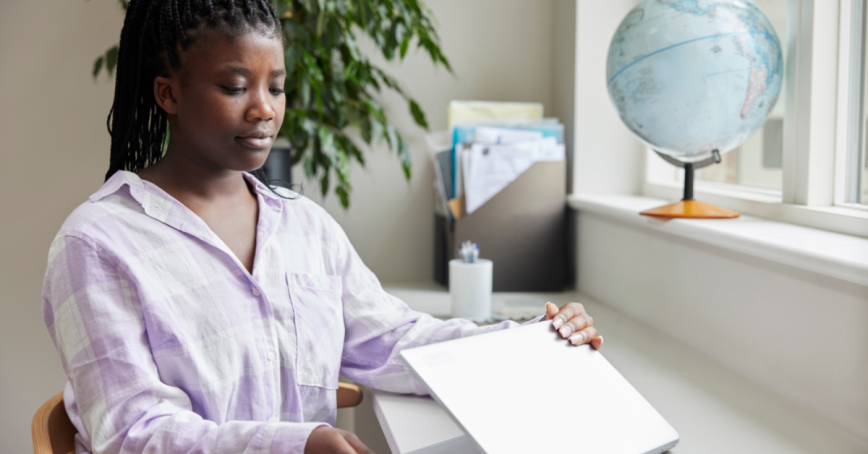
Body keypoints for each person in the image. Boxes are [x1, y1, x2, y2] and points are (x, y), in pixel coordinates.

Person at [41, 1, 602, 453]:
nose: (264, 109)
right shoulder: (97, 243)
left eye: (276, 87)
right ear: (169, 93)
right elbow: (131, 434)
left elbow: (394, 340)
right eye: (236, 88)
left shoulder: (305, 226)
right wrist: (298, 444)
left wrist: (529, 340)